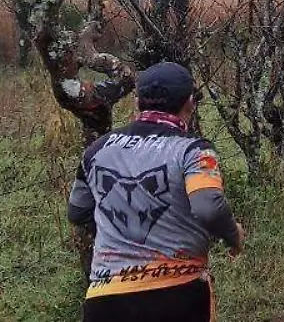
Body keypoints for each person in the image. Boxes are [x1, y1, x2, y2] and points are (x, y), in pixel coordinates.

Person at [68, 62, 244, 322]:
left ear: (137, 102)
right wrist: (233, 235)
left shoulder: (97, 149)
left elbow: (77, 211)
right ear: (190, 103)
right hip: (176, 292)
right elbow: (208, 207)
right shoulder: (193, 150)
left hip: (105, 298)